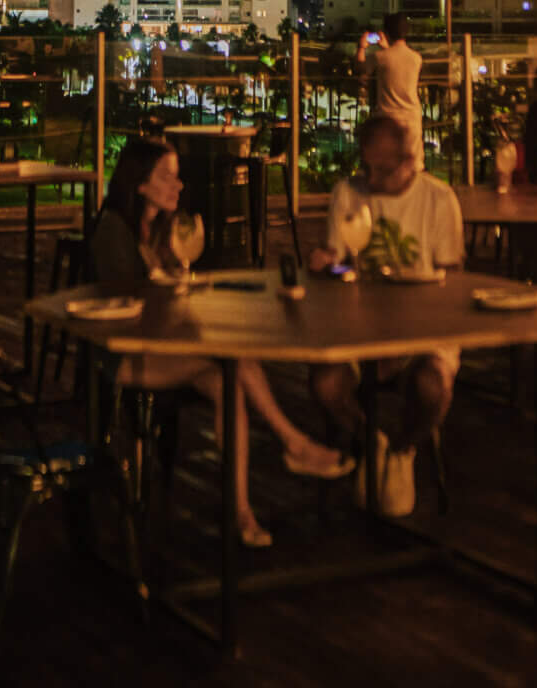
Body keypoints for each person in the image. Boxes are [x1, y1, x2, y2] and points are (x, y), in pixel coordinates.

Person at [91, 138, 353, 543]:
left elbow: (170, 296)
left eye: (178, 177)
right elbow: (132, 306)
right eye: (167, 177)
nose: (178, 186)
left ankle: (241, 512)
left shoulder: (160, 230)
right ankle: (293, 443)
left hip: (166, 351)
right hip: (124, 357)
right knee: (236, 363)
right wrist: (174, 287)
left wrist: (180, 276)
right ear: (139, 183)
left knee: (229, 387)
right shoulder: (114, 231)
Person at [307, 114, 465, 516]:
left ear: (410, 160)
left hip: (423, 327)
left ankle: (402, 449)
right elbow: (344, 268)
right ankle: (370, 440)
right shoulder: (349, 193)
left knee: (433, 387)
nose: (373, 179)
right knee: (326, 385)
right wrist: (329, 264)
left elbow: (453, 283)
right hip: (358, 327)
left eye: (385, 169)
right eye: (368, 167)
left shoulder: (437, 199)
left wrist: (407, 336)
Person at [367, 14, 424, 159]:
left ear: (386, 33)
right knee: (413, 163)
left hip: (388, 118)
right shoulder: (416, 58)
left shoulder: (380, 57)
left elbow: (361, 66)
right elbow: (398, 61)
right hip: (412, 117)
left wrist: (361, 47)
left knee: (388, 163)